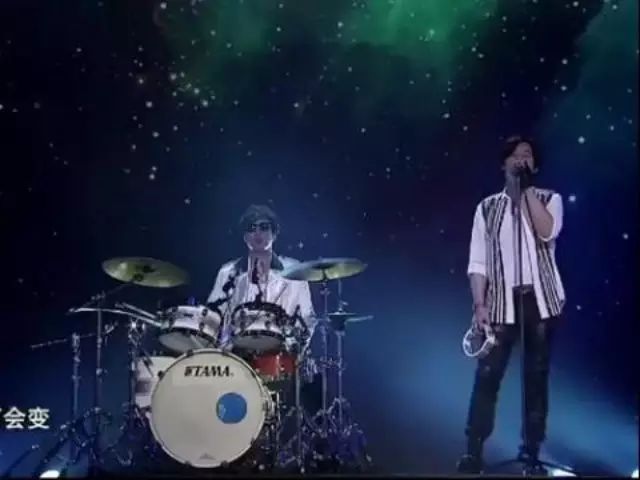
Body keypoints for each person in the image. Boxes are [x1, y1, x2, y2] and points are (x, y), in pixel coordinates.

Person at [457, 135, 565, 475]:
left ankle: (531, 453)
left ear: (535, 165)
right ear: (504, 164)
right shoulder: (487, 208)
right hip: (500, 302)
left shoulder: (549, 199)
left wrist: (527, 190)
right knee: (487, 375)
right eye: (515, 156)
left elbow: (547, 232)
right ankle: (473, 451)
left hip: (540, 302)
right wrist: (479, 304)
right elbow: (478, 262)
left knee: (536, 378)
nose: (521, 160)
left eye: (527, 155)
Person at [207, 204, 321, 410]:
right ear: (245, 236)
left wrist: (295, 351)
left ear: (274, 233)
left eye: (264, 227)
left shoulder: (295, 271)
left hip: (280, 357)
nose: (258, 233)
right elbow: (214, 318)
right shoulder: (228, 272)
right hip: (238, 357)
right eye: (251, 228)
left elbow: (308, 318)